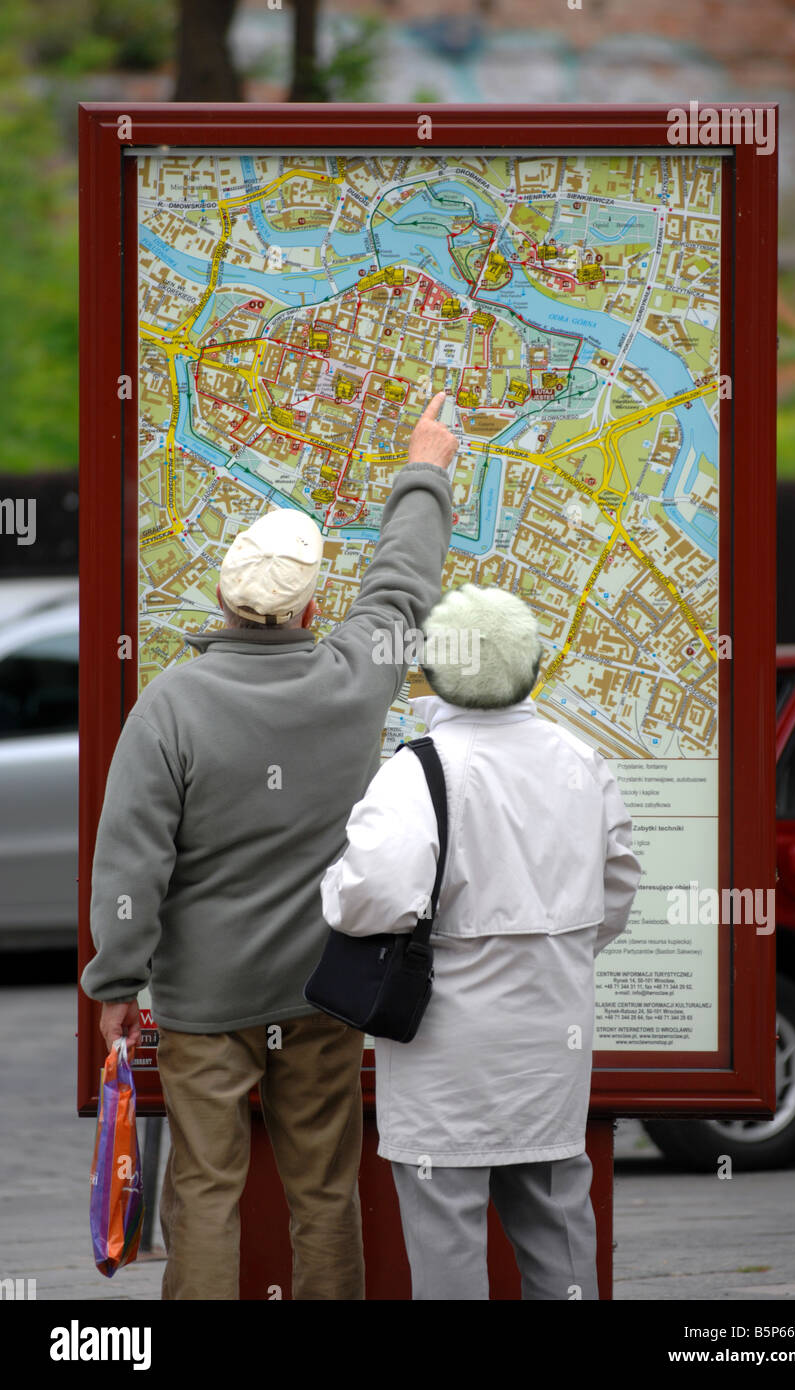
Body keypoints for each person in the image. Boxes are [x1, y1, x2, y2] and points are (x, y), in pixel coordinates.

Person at [80, 392, 458, 1300]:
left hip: (205, 1002)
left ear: (222, 598)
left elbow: (133, 860)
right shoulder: (351, 679)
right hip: (318, 991)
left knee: (205, 1189)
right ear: (310, 609)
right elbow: (402, 586)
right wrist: (427, 468)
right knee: (323, 1188)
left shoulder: (171, 704)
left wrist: (115, 985)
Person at [320, 582, 642, 1301]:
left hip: (445, 1048)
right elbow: (616, 887)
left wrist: (330, 889)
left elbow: (371, 897)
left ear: (433, 672)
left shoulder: (417, 770)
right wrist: (559, 952)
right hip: (551, 1031)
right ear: (532, 667)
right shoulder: (582, 761)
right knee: (559, 1213)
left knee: (446, 1235)